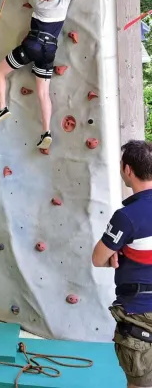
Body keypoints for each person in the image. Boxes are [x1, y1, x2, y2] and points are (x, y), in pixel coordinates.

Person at [0, 0, 82, 150]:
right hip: (49, 52)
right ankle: (46, 131)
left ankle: (1, 108)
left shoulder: (38, 3)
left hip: (33, 45)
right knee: (43, 93)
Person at [92, 140, 152, 388]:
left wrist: (121, 252)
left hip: (140, 311)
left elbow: (98, 258)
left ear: (128, 170)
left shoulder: (126, 217)